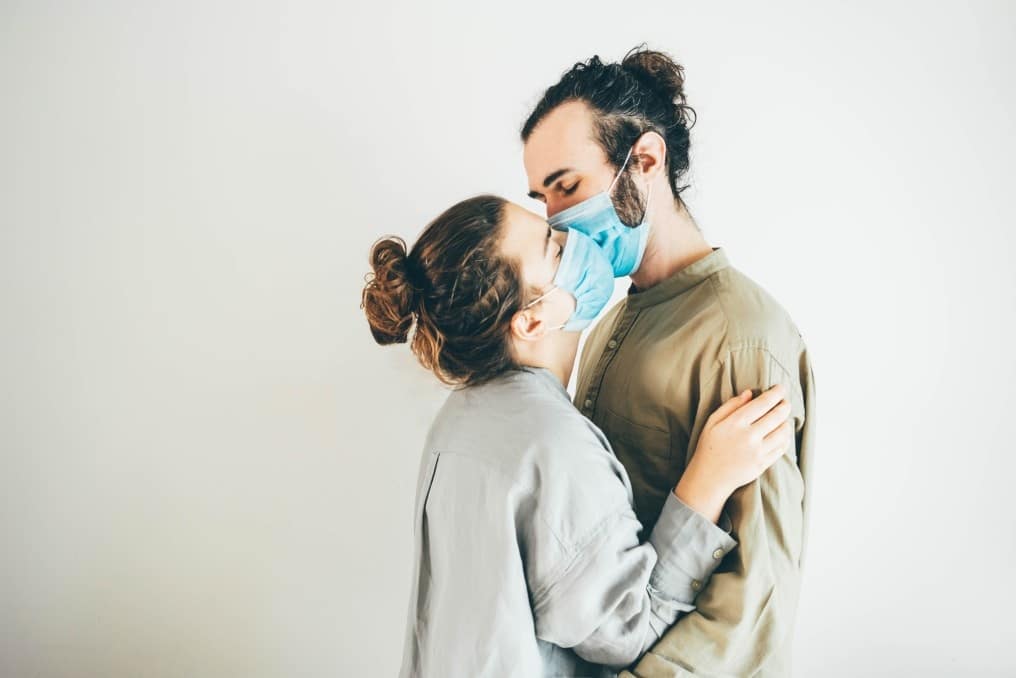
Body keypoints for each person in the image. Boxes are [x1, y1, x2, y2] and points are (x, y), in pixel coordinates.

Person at [362, 195, 794, 677]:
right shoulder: (550, 441)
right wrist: (707, 483)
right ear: (530, 320)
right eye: (554, 246)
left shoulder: (459, 417)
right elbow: (625, 629)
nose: (577, 240)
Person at [521, 46, 817, 677]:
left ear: (646, 160)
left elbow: (754, 601)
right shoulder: (608, 320)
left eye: (568, 187)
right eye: (543, 199)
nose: (556, 221)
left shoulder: (744, 338)